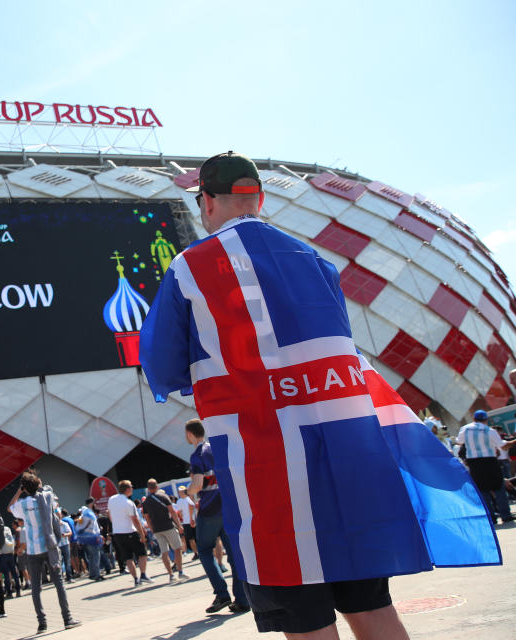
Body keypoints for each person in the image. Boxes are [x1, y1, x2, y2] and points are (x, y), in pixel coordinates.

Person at [140, 151, 499, 638]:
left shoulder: (188, 268)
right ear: (260, 197)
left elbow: (161, 368)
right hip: (348, 473)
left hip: (266, 482)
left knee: (307, 626)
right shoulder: (314, 260)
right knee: (374, 615)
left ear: (206, 202)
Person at [186, 419, 250, 614]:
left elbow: (197, 484)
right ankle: (242, 599)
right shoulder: (217, 448)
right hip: (228, 507)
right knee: (234, 554)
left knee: (204, 550)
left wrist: (188, 491)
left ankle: (222, 594)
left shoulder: (197, 455)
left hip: (209, 508)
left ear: (190, 434)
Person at [8, 471, 81, 634]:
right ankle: (67, 618)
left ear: (25, 488)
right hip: (50, 546)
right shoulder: (47, 497)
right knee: (59, 583)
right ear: (38, 485)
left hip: (33, 550)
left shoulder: (23, 504)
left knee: (36, 587)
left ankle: (42, 623)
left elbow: (9, 507)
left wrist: (20, 491)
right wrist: (37, 486)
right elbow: (54, 502)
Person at [457, 410, 515, 523]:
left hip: (475, 464)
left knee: (483, 491)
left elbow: (459, 441)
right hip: (490, 462)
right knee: (498, 488)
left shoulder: (465, 429)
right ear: (486, 420)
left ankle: (491, 517)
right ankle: (505, 515)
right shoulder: (490, 431)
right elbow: (503, 446)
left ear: (474, 419)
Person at [141, 479, 188, 583]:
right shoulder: (164, 497)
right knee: (177, 548)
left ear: (148, 488)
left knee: (164, 552)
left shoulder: (146, 502)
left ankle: (171, 575)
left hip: (157, 529)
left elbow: (147, 517)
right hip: (168, 526)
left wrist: (152, 529)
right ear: (157, 487)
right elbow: (172, 511)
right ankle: (180, 572)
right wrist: (179, 525)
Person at [106, 480, 151, 588]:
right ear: (127, 489)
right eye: (131, 487)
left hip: (117, 533)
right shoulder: (129, 502)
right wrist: (142, 534)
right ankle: (143, 574)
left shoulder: (112, 499)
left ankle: (135, 579)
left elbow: (109, 514)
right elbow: (135, 519)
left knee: (128, 557)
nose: (132, 488)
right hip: (130, 531)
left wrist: (115, 523)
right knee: (142, 553)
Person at [74, 501, 102, 581]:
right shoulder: (89, 516)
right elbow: (93, 528)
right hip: (93, 538)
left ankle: (92, 574)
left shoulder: (81, 519)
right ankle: (96, 575)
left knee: (91, 557)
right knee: (96, 557)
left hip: (85, 540)